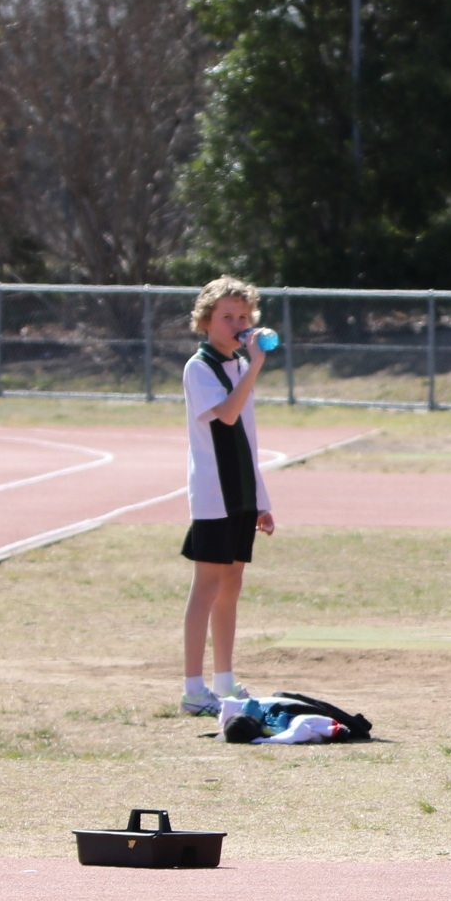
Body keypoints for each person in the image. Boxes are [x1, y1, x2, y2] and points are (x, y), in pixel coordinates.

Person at [179, 277, 276, 717]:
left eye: (243, 316)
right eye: (227, 317)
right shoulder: (200, 368)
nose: (237, 324)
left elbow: (249, 437)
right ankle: (193, 688)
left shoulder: (238, 366)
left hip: (240, 491)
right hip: (213, 494)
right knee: (207, 585)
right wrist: (254, 365)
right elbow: (227, 414)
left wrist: (261, 497)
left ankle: (223, 680)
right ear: (205, 321)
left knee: (232, 584)